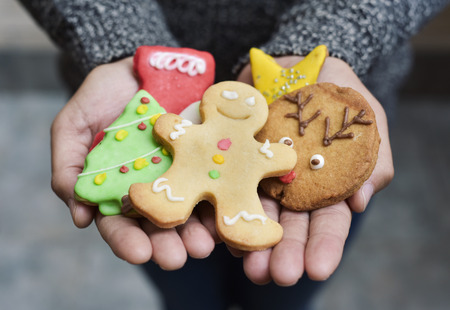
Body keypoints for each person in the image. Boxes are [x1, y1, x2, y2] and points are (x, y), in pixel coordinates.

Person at [19, 0, 449, 309]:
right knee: (182, 285)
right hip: (148, 108)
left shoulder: (257, 143)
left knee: (283, 290)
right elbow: (175, 130)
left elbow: (273, 158)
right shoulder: (206, 126)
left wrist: (332, 36)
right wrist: (128, 48)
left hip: (335, 74)